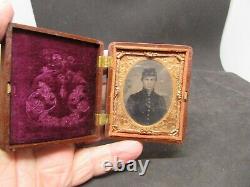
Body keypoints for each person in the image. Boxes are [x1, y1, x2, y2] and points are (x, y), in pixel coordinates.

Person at [0, 1, 143, 186]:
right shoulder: (43, 79)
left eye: (59, 61)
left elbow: (78, 88)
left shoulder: (74, 79)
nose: (57, 65)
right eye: (54, 62)